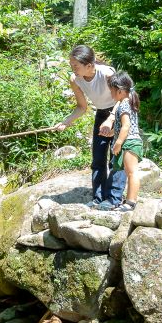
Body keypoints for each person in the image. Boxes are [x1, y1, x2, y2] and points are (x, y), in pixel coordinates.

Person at [54, 45, 117, 208]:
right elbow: (82, 107)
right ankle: (98, 198)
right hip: (101, 113)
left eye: (75, 66)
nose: (72, 69)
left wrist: (111, 119)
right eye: (71, 65)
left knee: (115, 157)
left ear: (89, 65)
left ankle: (113, 199)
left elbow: (123, 98)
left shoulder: (107, 74)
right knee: (98, 158)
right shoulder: (75, 79)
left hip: (119, 112)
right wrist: (66, 122)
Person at [106, 70, 144, 212]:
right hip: (129, 140)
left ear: (120, 91)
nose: (111, 94)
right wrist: (111, 133)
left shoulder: (124, 104)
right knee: (129, 172)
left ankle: (131, 202)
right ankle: (129, 201)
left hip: (130, 142)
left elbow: (126, 126)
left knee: (132, 172)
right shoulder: (127, 102)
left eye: (112, 91)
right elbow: (122, 126)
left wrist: (118, 143)